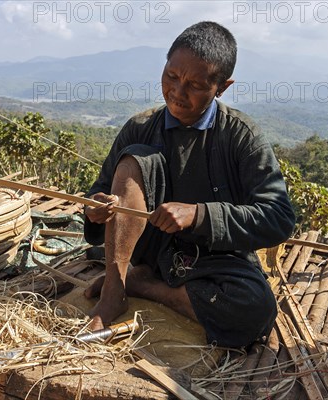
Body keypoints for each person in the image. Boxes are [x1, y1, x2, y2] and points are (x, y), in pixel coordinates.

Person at [83, 21, 296, 348]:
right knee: (135, 158)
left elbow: (278, 217)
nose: (178, 93)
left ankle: (142, 286)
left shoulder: (241, 136)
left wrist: (200, 215)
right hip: (146, 245)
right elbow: (99, 192)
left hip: (210, 257)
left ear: (222, 87)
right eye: (171, 76)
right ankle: (115, 289)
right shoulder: (140, 126)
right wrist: (95, 207)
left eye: (195, 85)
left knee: (255, 313)